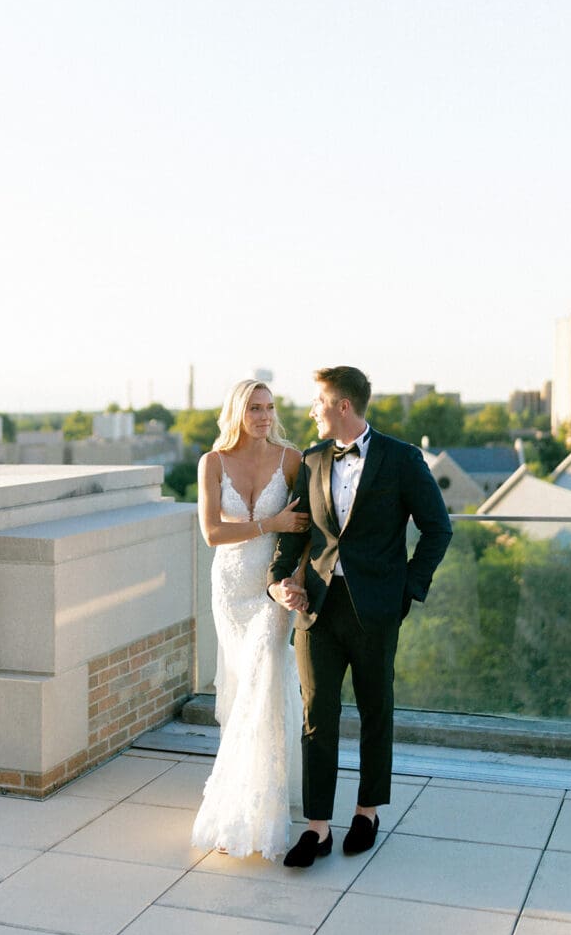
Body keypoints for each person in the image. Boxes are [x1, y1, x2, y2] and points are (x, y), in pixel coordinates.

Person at [268, 366, 452, 868]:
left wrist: (407, 591)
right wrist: (277, 581)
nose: (311, 411)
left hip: (376, 611)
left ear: (342, 406)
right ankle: (317, 827)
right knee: (317, 717)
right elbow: (296, 532)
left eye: (317, 402)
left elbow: (438, 529)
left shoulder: (402, 459)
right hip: (317, 610)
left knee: (375, 712)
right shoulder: (310, 460)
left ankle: (367, 812)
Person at [191, 379, 310, 860]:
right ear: (238, 412)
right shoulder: (212, 463)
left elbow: (305, 531)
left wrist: (292, 581)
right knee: (243, 688)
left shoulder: (291, 458)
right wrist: (269, 523)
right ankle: (248, 791)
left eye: (269, 407)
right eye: (254, 407)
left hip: (270, 590)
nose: (263, 415)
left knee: (265, 676)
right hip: (230, 589)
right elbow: (212, 532)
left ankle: (256, 807)